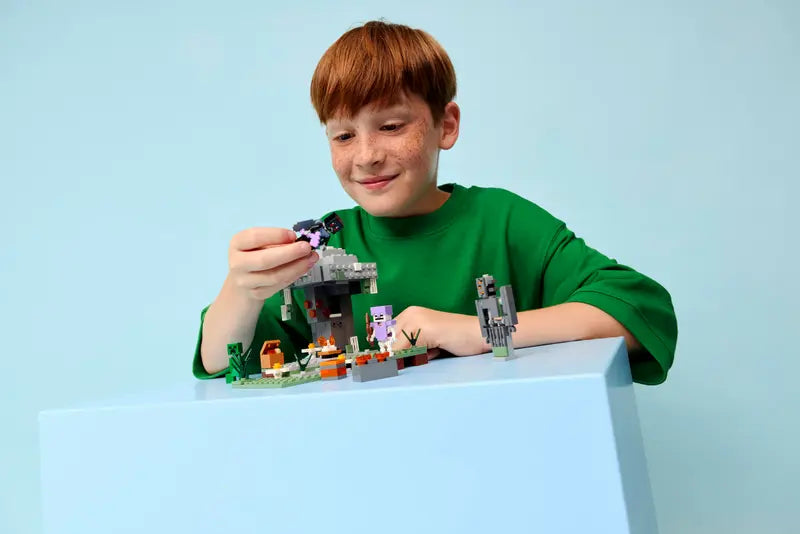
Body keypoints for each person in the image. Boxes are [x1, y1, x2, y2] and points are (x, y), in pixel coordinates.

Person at [194, 20, 677, 385]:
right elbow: (221, 363)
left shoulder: (503, 221)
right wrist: (242, 289)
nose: (366, 156)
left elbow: (638, 312)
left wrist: (479, 331)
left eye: (391, 126)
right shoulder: (323, 247)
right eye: (343, 136)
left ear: (446, 125)